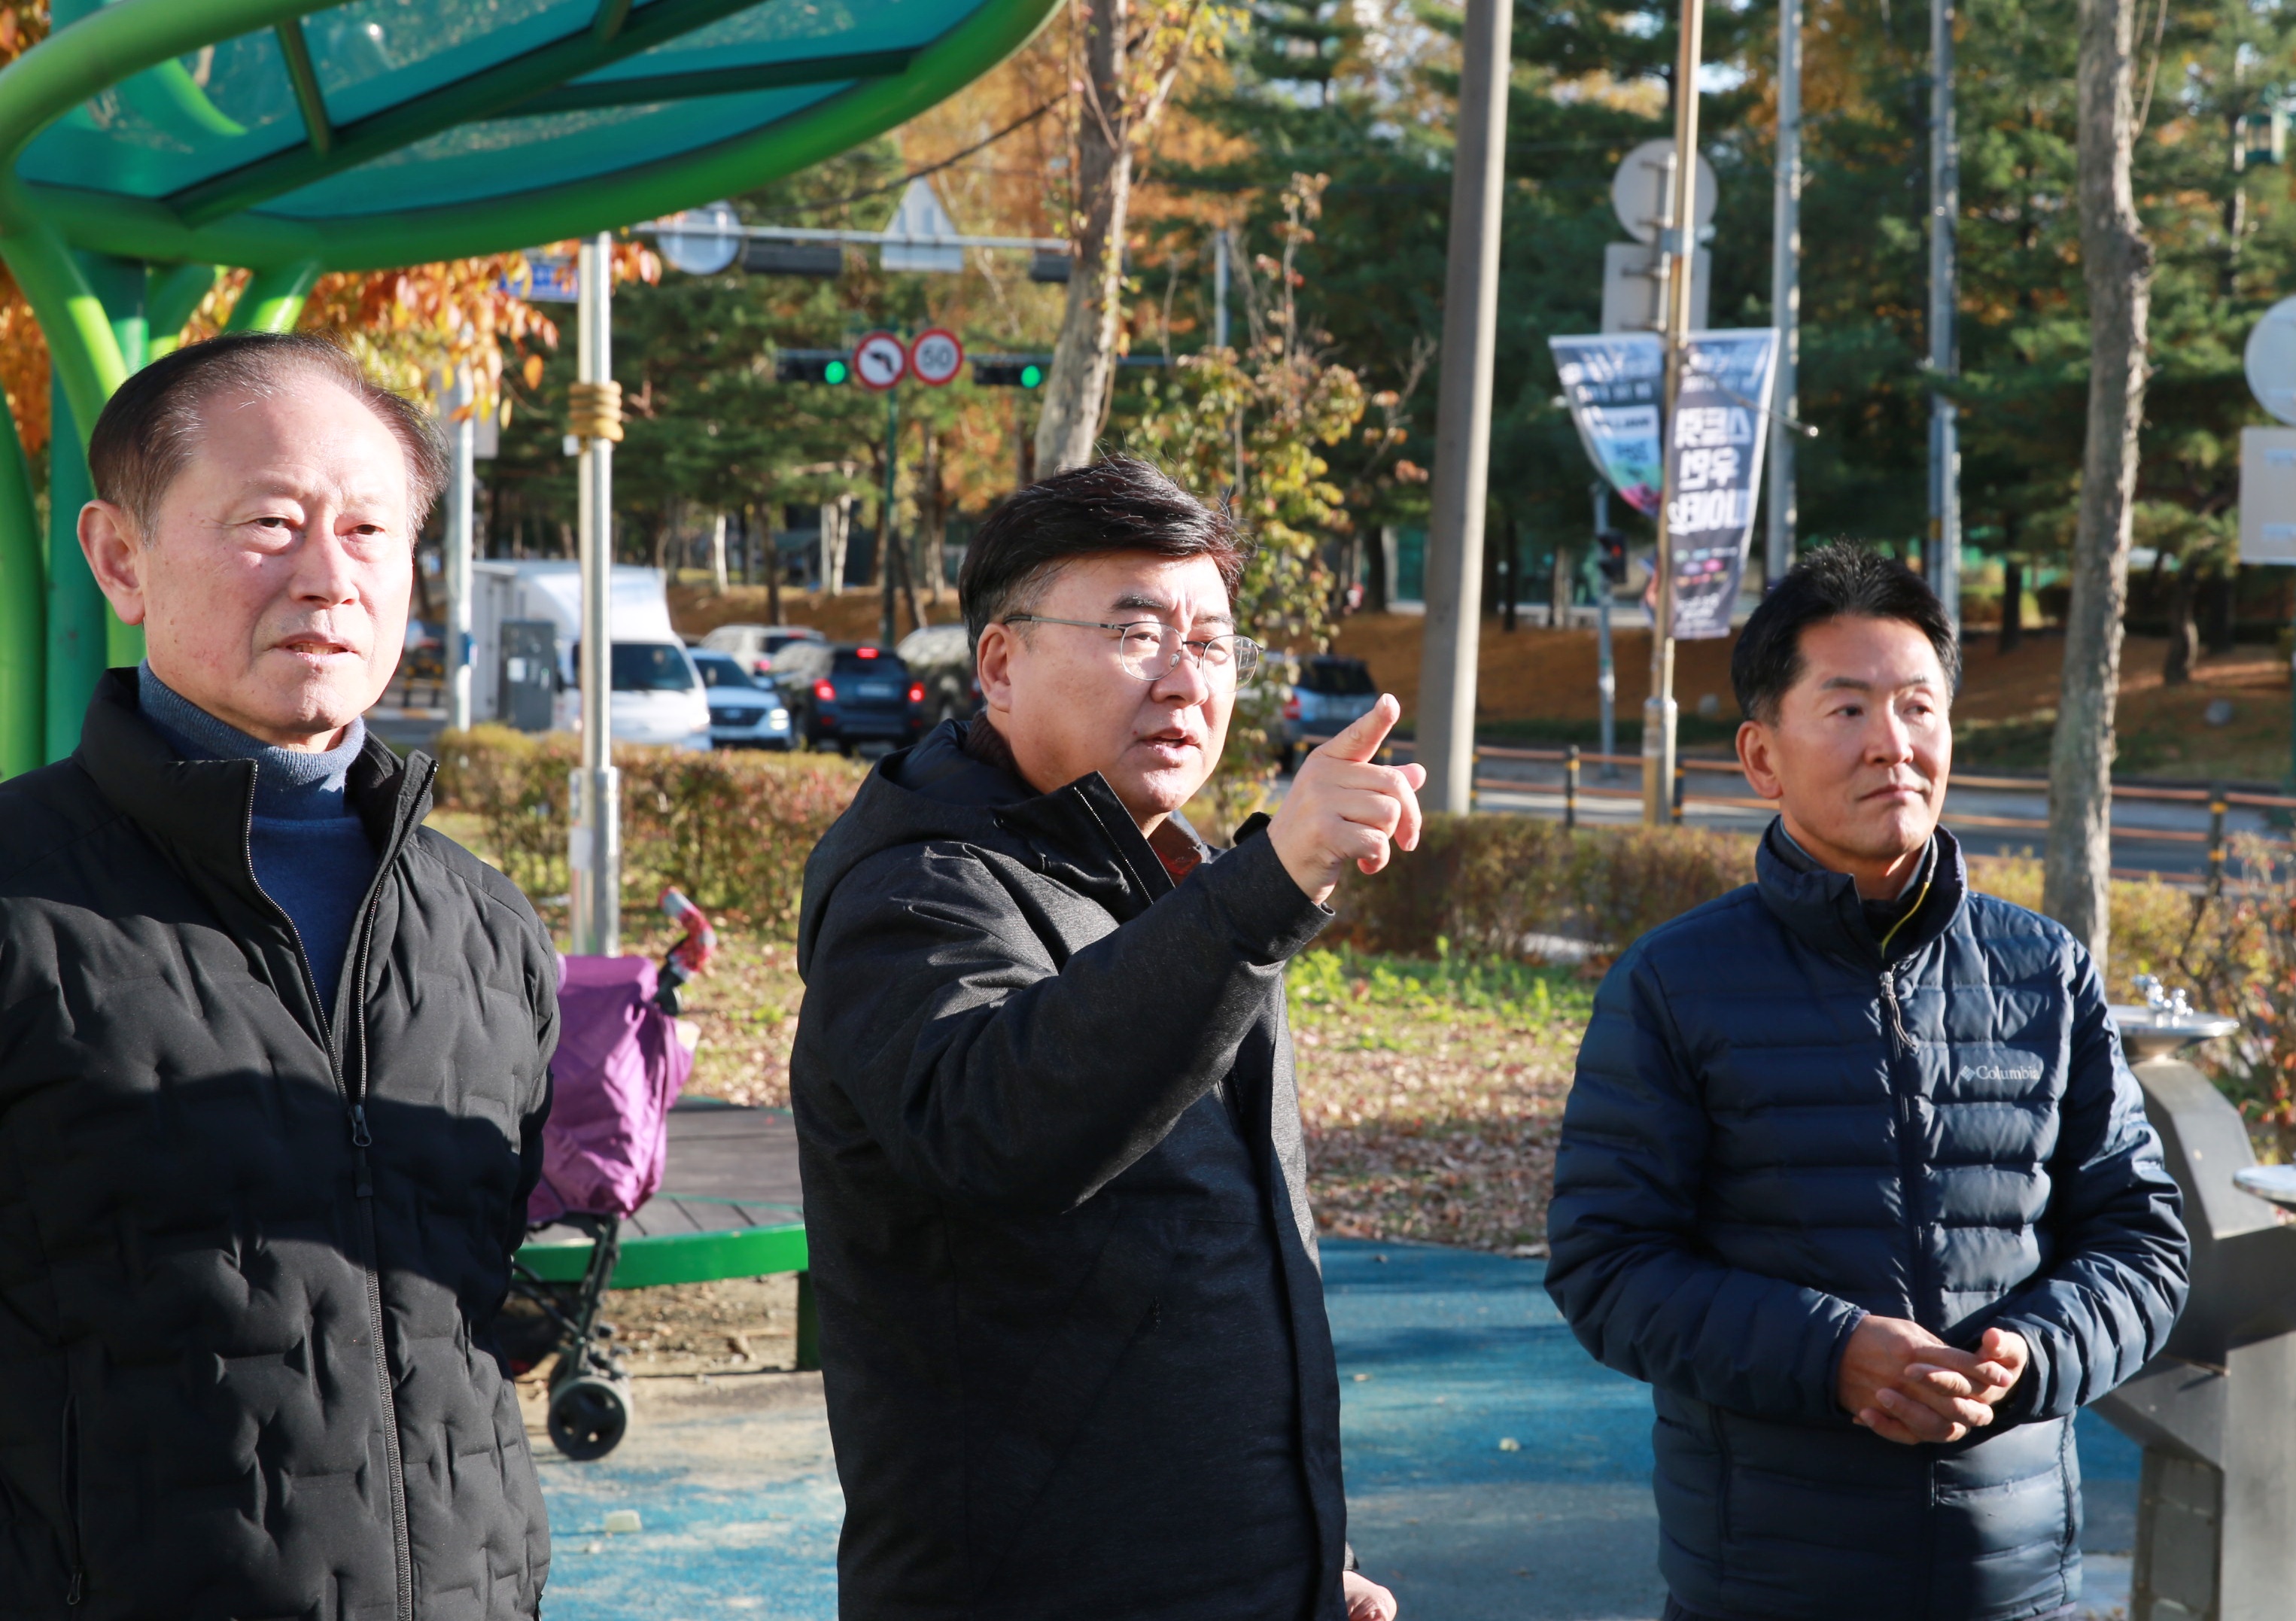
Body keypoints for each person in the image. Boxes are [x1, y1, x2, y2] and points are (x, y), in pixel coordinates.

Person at [791, 456, 1412, 1621]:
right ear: (1001, 664)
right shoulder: (917, 887)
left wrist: (1297, 1548)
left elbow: (1204, 1263)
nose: (1186, 680)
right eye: (1136, 632)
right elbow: (1000, 1127)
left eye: (1213, 642)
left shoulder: (1173, 875)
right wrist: (1265, 885)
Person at [0, 332, 558, 1618]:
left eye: (368, 531)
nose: (326, 576)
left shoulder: (486, 927)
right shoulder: (21, 895)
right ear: (119, 558)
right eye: (269, 522)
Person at [1543, 545, 2188, 1621]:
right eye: (1846, 710)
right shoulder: (1673, 984)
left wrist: (2028, 1353)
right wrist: (1832, 1352)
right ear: (1762, 756)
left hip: (2016, 1580)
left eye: (1918, 707)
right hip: (1769, 1580)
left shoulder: (2044, 969)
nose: (1892, 744)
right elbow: (1607, 1267)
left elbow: (2144, 1245)